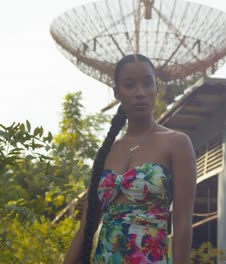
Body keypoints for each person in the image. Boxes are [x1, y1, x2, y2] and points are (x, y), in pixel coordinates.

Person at [63, 54, 197, 264]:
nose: (140, 93)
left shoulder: (177, 143)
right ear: (117, 93)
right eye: (129, 85)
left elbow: (182, 225)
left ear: (156, 88)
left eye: (147, 83)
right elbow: (86, 228)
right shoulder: (107, 152)